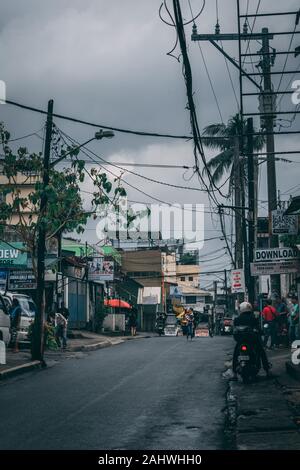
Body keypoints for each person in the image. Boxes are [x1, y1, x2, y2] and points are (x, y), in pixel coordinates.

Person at [233, 301, 271, 377]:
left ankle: (234, 374)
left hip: (241, 341)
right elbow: (258, 329)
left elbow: (234, 330)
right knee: (261, 352)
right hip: (252, 341)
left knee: (236, 354)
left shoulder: (237, 319)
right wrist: (261, 332)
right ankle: (267, 370)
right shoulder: (253, 318)